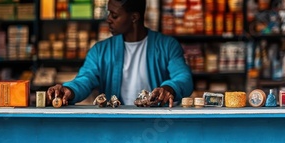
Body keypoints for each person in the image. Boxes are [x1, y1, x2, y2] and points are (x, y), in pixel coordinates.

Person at [47, 0, 193, 107]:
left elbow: (183, 77)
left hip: (154, 121)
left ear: (134, 17)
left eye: (114, 15)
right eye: (109, 13)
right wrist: (69, 89)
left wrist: (168, 89)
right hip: (116, 121)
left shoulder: (167, 46)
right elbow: (85, 79)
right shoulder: (100, 50)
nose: (108, 19)